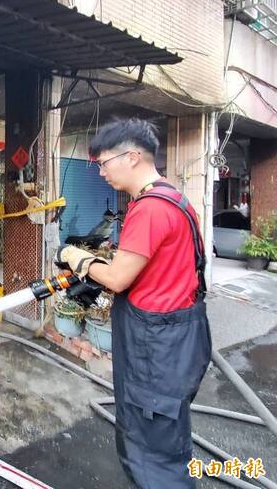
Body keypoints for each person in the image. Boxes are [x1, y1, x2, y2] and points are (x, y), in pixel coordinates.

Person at [56, 118, 211, 489]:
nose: (101, 172)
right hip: (174, 338)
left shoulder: (150, 208)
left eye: (105, 163)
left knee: (151, 454)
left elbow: (117, 278)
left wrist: (75, 256)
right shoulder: (175, 199)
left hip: (155, 348)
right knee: (164, 441)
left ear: (133, 156)